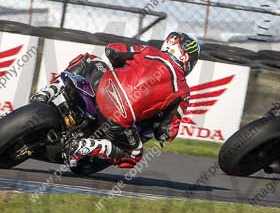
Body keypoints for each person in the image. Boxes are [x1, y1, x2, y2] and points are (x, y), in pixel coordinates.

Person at [31, 32, 200, 168]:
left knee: (89, 60)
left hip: (102, 87)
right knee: (134, 154)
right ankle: (84, 145)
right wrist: (162, 134)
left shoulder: (147, 51)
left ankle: (48, 91)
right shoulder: (183, 92)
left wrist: (122, 64)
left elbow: (112, 50)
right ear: (188, 60)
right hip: (117, 118)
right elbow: (168, 131)